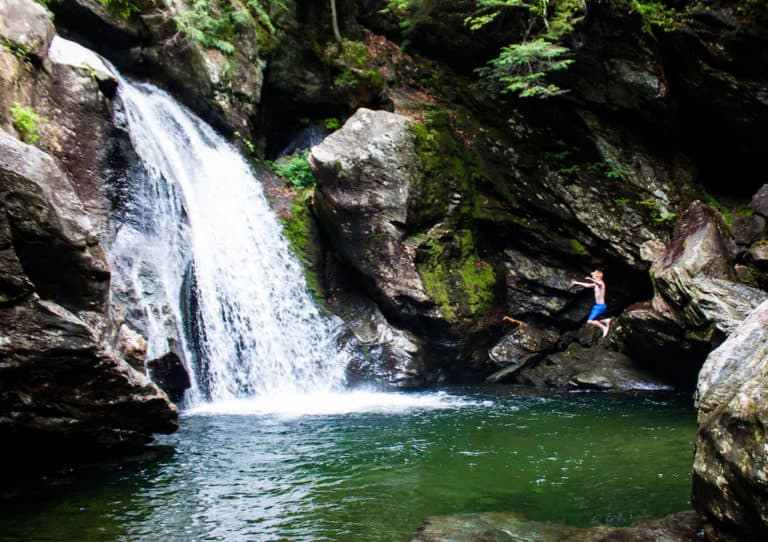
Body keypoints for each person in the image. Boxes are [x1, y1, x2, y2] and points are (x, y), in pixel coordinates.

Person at [571, 270, 611, 337]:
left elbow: (599, 284)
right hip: (598, 306)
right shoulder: (595, 285)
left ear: (597, 276)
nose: (592, 276)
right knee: (594, 320)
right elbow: (587, 285)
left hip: (600, 307)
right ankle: (606, 320)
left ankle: (604, 328)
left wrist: (591, 279)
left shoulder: (601, 283)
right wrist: (577, 282)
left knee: (589, 321)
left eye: (593, 275)